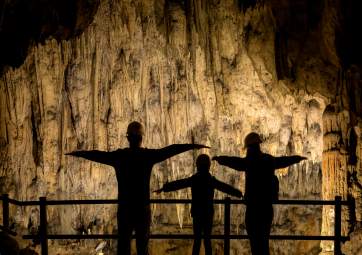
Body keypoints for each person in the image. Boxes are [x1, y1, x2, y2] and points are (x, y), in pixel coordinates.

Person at [66, 121, 209, 255]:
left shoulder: (120, 156)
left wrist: (79, 153)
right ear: (142, 137)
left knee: (123, 247)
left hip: (125, 209)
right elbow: (171, 150)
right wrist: (191, 146)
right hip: (142, 209)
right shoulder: (147, 156)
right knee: (142, 247)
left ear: (128, 138)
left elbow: (97, 155)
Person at [213, 132, 307, 255]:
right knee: (264, 242)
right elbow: (282, 161)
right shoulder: (268, 160)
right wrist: (297, 158)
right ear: (258, 145)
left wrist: (220, 159)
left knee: (255, 243)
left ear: (248, 148)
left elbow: (235, 162)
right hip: (266, 207)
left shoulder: (249, 161)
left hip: (253, 208)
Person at [155, 154, 243, 255]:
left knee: (197, 240)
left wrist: (164, 188)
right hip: (208, 213)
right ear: (209, 166)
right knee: (207, 240)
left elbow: (179, 183)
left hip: (197, 213)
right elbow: (225, 187)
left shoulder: (194, 179)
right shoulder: (211, 180)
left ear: (197, 165)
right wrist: (239, 193)